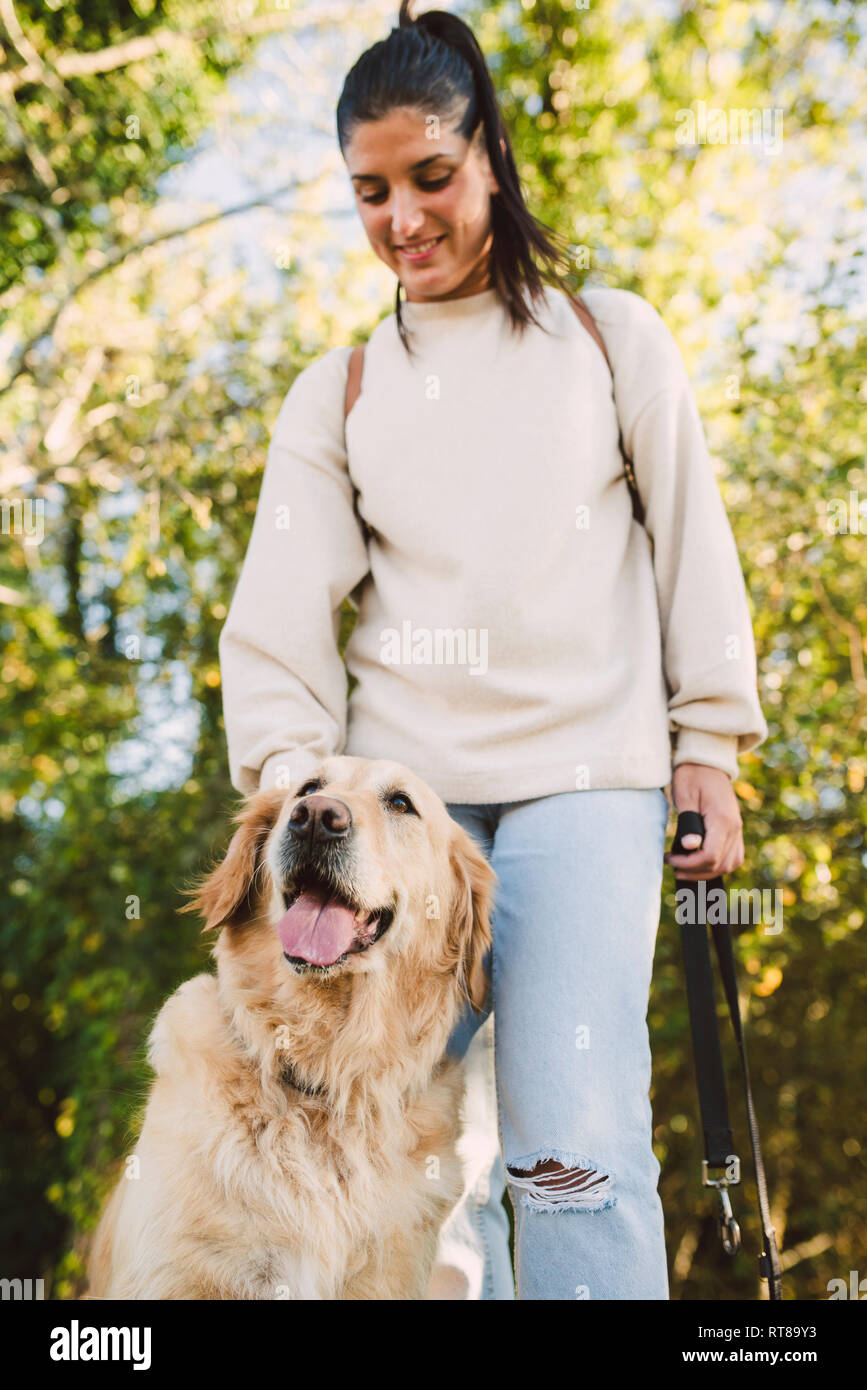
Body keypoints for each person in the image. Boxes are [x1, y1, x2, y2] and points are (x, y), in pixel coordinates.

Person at [218, 1, 768, 1300]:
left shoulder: (610, 339)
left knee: (572, 1145)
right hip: (408, 812)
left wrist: (711, 749)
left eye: (430, 178)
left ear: (492, 162)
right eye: (368, 192)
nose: (402, 219)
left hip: (589, 785)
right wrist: (299, 791)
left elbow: (695, 545)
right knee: (401, 1149)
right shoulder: (340, 390)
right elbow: (278, 615)